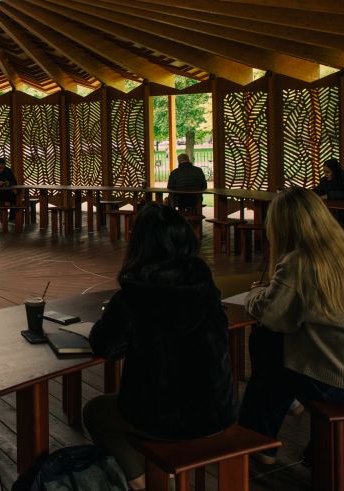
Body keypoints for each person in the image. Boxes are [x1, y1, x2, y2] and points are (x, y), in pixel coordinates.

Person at [238, 188, 344, 464]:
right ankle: (280, 414)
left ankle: (258, 442)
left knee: (267, 342)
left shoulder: (299, 262)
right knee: (277, 350)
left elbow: (272, 314)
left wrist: (255, 292)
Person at [83, 204, 234, 489]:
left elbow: (104, 345)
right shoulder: (204, 282)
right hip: (218, 411)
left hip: (162, 418)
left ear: (139, 243)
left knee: (96, 412)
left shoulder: (134, 293)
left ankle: (148, 483)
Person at [314, 158, 344, 224]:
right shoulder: (324, 180)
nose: (325, 174)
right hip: (331, 211)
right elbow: (317, 191)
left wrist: (329, 196)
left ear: (335, 171)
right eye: (324, 172)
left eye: (328, 172)